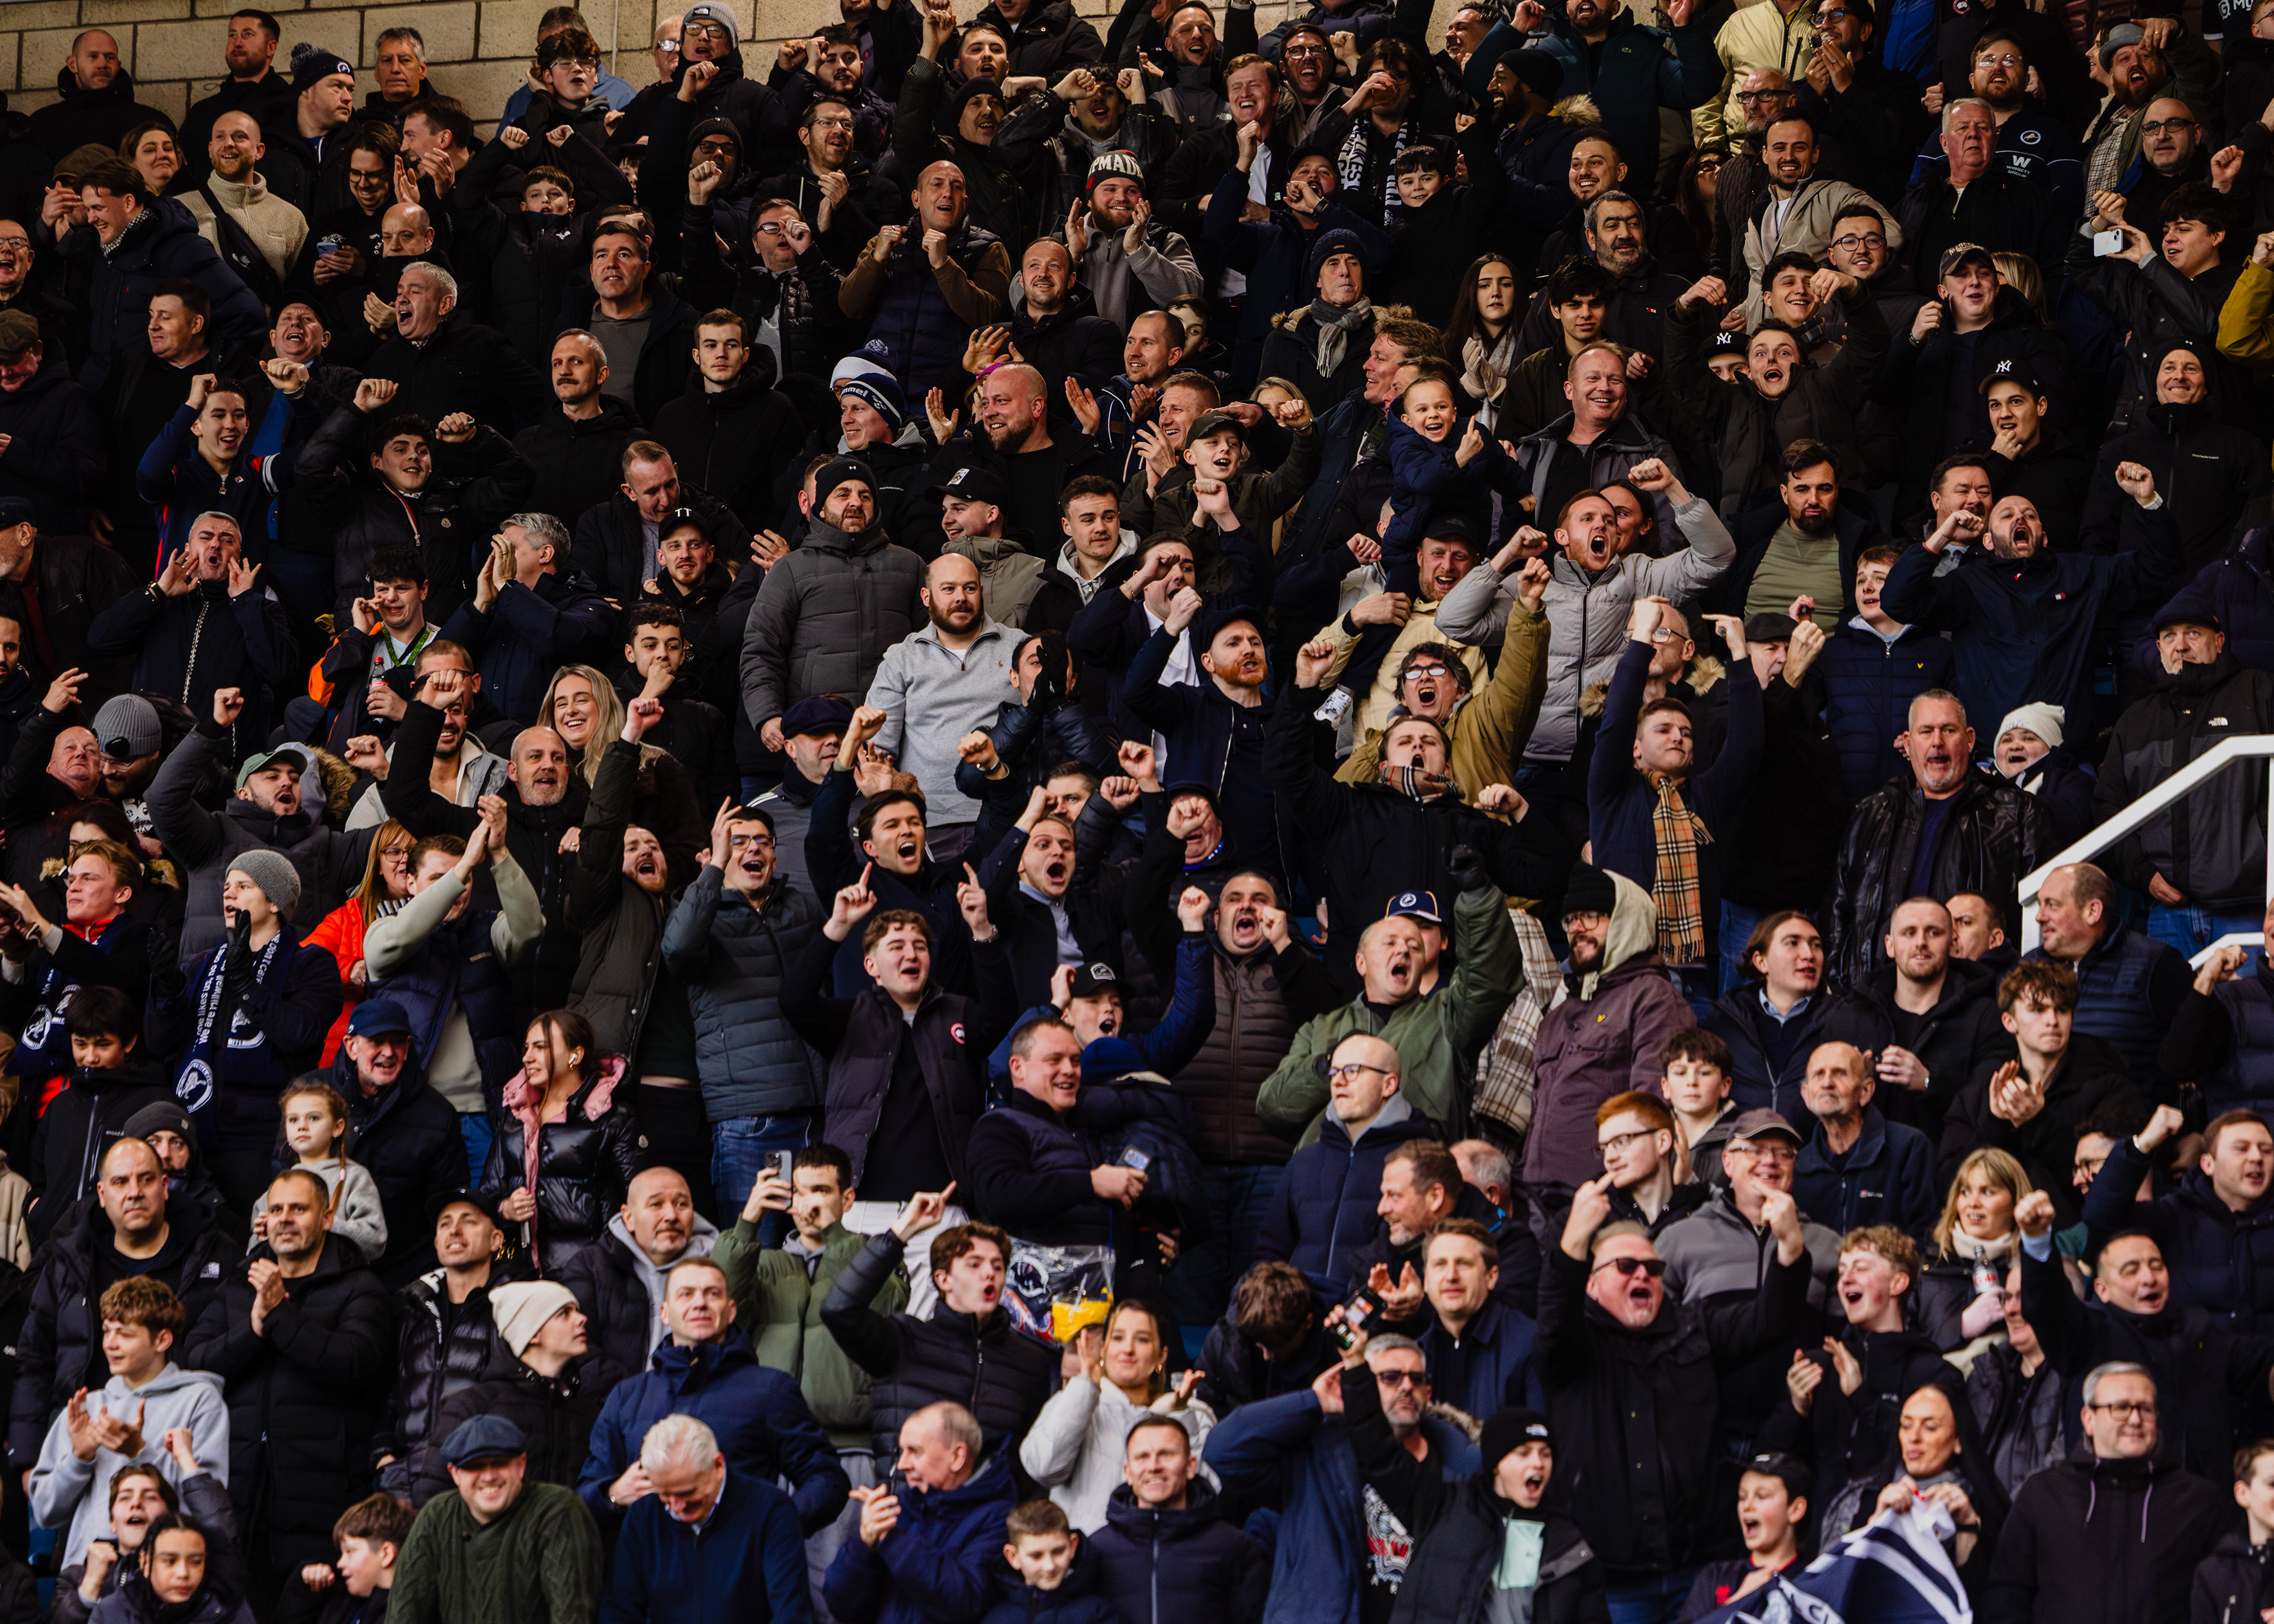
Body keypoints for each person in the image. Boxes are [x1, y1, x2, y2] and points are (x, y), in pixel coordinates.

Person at [184, 1169, 392, 1617]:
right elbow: (196, 1362)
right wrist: (255, 1329)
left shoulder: (360, 1287)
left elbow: (354, 1364)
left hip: (323, 1506)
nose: (285, 1218)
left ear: (327, 1217)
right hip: (243, 1501)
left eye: (299, 1209)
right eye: (276, 1209)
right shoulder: (239, 1284)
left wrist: (280, 1313)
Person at [1202, 1330, 1482, 1624]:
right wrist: (1313, 1401)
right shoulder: (1316, 1453)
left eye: (1416, 1378)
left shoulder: (1462, 1465)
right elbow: (1222, 1452)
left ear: (1428, 1391)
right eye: (1390, 1378)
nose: (1406, 1386)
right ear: (1362, 1387)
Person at [576, 1255, 847, 1534]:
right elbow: (583, 1495)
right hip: (645, 1559)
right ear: (665, 1313)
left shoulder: (770, 1389)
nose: (700, 1303)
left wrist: (770, 1534)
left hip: (737, 1560)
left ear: (731, 1311)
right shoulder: (628, 1395)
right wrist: (612, 1495)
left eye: (713, 1294)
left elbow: (827, 1479)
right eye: (686, 1294)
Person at [1825, 692, 2056, 989]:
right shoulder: (1872, 812)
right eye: (1926, 731)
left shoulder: (2019, 813)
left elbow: (2044, 914)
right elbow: (1838, 909)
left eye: (1948, 730)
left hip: (1977, 997)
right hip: (1875, 996)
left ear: (1970, 740)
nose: (1937, 742)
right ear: (1908, 744)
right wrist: (1843, 990)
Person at [1982, 1359, 2221, 1624]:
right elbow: (2006, 1595)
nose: (2135, 1419)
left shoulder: (2197, 1500)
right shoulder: (2042, 1495)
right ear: (2088, 1419)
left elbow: (2222, 1596)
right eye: (2121, 1408)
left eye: (2146, 1409)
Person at [2098, 610, 2274, 963]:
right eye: (2169, 637)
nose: (2180, 646)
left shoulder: (2260, 692)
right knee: (2175, 1002)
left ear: (2219, 642)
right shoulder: (2135, 720)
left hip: (2250, 910)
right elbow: (2107, 807)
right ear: (2159, 648)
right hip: (2167, 917)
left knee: (2245, 1001)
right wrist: (2145, 875)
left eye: (2193, 633)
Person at [27, 1278, 230, 1569]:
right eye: (107, 1331)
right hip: (87, 1576)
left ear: (162, 1340)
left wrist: (139, 1452)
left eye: (124, 1334)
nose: (110, 1344)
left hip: (166, 1576)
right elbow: (46, 1514)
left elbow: (209, 1513)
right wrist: (79, 1459)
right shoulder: (88, 1407)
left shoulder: (200, 1401)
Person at [1523, 865, 1693, 1192]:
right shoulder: (1558, 1015)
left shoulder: (1653, 999)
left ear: (1626, 921)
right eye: (1571, 919)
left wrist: (1619, 1195)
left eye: (1591, 916)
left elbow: (1652, 1110)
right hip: (1534, 1194)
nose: (1577, 928)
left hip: (1604, 1194)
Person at [740, 459, 925, 755]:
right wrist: (767, 715)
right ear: (821, 508)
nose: (856, 503)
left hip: (896, 732)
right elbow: (761, 651)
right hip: (818, 734)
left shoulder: (910, 565)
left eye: (865, 495)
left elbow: (933, 647)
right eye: (843, 494)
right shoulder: (789, 570)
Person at [1938, 961, 2140, 1227]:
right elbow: (1949, 1184)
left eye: (2062, 1010)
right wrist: (1996, 1123)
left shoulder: (2109, 1086)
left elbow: (2113, 1184)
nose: (2052, 1021)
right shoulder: (1983, 1089)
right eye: (2038, 1010)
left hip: (2074, 1236)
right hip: (1992, 1236)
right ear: (2009, 1022)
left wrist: (2036, 1123)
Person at [1817, 895, 2005, 1144]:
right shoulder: (1851, 1017)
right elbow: (1813, 1102)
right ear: (1890, 945)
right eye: (1909, 933)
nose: (1921, 943)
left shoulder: (1986, 1015)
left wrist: (1928, 1081)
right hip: (1862, 1164)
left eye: (1934, 933)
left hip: (1949, 1163)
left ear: (1952, 943)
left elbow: (1990, 1106)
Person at [388, 1415, 606, 1624]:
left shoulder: (558, 1510)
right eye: (475, 1466)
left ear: (521, 1465)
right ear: (454, 1473)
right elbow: (403, 1613)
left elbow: (572, 1615)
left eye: (500, 1463)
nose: (489, 1476)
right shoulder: (436, 1517)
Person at [600, 1413, 811, 1624]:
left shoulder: (771, 1510)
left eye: (686, 1493)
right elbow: (619, 1611)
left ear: (718, 1465)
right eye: (664, 1494)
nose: (677, 1507)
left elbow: (791, 1613)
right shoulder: (643, 1515)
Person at [2082, 1104, 2274, 1334]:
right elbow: (2101, 1215)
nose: (2256, 1157)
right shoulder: (2174, 1216)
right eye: (2241, 1149)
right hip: (2195, 1356)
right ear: (2208, 1164)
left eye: (2266, 1150)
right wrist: (2142, 1145)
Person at [822, 1400, 1017, 1624]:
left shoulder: (999, 1518)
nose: (902, 1464)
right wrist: (863, 1545)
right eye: (901, 1452)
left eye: (915, 1451)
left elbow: (965, 1602)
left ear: (957, 1457)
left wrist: (892, 1540)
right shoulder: (901, 1506)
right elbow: (841, 1606)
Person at [408, 1279, 600, 1503]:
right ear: (532, 1333)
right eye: (564, 1314)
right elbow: (433, 1498)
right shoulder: (472, 1406)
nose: (581, 1319)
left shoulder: (589, 1414)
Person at [480, 1010, 641, 1275]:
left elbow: (640, 1200)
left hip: (587, 1273)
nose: (527, 1057)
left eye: (540, 1047)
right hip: (518, 1273)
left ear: (574, 1056)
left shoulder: (612, 1117)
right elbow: (487, 1195)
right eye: (527, 1048)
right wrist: (505, 1209)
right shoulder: (515, 1116)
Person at [380, 1190, 516, 1497]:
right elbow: (388, 1392)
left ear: (496, 1240)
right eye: (445, 1224)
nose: (454, 1230)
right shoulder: (412, 1307)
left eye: (469, 1222)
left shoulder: (513, 1306)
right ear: (436, 1242)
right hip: (405, 1479)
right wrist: (383, 1456)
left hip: (479, 1475)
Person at [2025, 863, 2189, 1094]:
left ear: (2092, 912)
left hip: (2133, 1113)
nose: (2039, 917)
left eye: (2052, 905)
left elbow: (2193, 1049)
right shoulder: (2028, 968)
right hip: (2046, 1113)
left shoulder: (2155, 963)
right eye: (2040, 904)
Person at [1790, 1043, 1938, 1241]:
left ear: (1865, 1091)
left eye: (1840, 1073)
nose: (1827, 1083)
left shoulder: (1909, 1149)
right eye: (1819, 1075)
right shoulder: (1799, 1166)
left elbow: (1925, 1236)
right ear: (1806, 1094)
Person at [1677, 1453, 1807, 1618]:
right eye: (1742, 1497)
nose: (1747, 1505)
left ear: (1795, 1510)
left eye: (1762, 1496)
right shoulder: (1715, 1576)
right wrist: (1739, 1600)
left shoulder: (1812, 1580)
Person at [298, 1493, 412, 1624]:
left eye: (350, 1551)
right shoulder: (349, 1606)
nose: (340, 1563)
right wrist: (304, 1590)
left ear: (386, 1554)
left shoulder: (405, 1617)